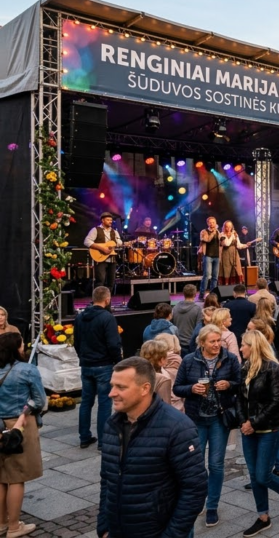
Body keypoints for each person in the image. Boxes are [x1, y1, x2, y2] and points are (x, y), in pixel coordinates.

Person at [98, 356, 206, 538]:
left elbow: (194, 489)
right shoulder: (111, 425)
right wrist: (104, 526)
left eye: (121, 387)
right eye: (112, 386)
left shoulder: (177, 428)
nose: (111, 393)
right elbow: (107, 479)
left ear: (145, 388)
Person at [173, 324, 241, 527]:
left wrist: (229, 385)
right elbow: (177, 388)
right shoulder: (189, 360)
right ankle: (198, 500)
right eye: (212, 341)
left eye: (219, 340)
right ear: (201, 342)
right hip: (197, 419)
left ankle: (212, 505)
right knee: (196, 464)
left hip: (219, 418)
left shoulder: (229, 359)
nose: (217, 345)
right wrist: (192, 389)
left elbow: (240, 382)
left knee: (216, 464)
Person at [237, 330, 279, 536]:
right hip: (248, 429)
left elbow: (276, 402)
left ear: (253, 346)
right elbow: (240, 398)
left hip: (269, 428)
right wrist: (243, 421)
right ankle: (263, 516)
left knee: (263, 474)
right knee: (254, 476)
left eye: (244, 344)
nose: (241, 347)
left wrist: (253, 422)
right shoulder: (245, 367)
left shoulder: (273, 369)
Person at [0, 333, 44, 538]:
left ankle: (1, 523)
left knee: (1, 478)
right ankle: (14, 526)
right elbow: (39, 400)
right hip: (19, 425)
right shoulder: (27, 369)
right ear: (17, 348)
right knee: (17, 477)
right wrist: (24, 414)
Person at [73, 286, 122, 448]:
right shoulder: (107, 318)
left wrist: (83, 357)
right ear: (107, 300)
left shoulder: (80, 317)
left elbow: (77, 342)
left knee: (86, 402)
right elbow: (113, 344)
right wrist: (117, 361)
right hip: (103, 365)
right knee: (105, 403)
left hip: (86, 364)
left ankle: (84, 437)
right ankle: (103, 440)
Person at [84, 211, 122, 291]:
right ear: (103, 220)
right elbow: (87, 241)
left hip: (112, 259)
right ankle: (98, 301)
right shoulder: (95, 230)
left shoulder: (114, 232)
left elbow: (119, 242)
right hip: (100, 258)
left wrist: (120, 243)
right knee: (100, 280)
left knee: (111, 282)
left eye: (111, 220)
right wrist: (102, 248)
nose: (110, 222)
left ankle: (107, 301)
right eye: (108, 220)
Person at [139, 339, 175, 407]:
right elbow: (165, 405)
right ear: (161, 360)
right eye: (166, 357)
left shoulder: (136, 373)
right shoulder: (163, 379)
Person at [218, 221, 251, 286]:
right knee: (227, 269)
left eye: (230, 226)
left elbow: (238, 245)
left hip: (234, 254)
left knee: (236, 270)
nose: (228, 228)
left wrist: (245, 245)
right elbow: (227, 244)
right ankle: (226, 286)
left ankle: (234, 287)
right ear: (224, 227)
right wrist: (232, 235)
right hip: (225, 254)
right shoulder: (222, 234)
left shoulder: (235, 235)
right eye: (227, 226)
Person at [171, 284, 203, 352]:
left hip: (177, 344)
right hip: (191, 345)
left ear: (183, 294)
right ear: (195, 295)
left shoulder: (175, 308)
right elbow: (199, 329)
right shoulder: (197, 309)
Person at [198, 216, 222, 297]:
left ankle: (213, 295)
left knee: (215, 277)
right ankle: (201, 294)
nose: (212, 224)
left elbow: (221, 243)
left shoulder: (218, 232)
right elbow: (207, 240)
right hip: (208, 255)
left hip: (217, 256)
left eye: (214, 222)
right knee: (207, 275)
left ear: (216, 223)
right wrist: (213, 232)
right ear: (207, 223)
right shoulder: (204, 231)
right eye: (210, 222)